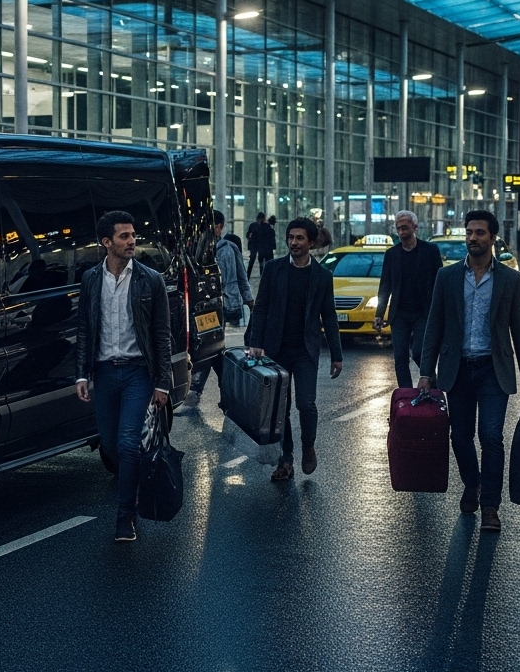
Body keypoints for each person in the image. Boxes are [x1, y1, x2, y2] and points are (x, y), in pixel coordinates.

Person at [419, 210, 520, 533]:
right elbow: (434, 327)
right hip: (457, 369)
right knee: (461, 436)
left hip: (492, 370)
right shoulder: (448, 277)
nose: (473, 238)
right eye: (469, 232)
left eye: (480, 233)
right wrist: (426, 372)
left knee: (491, 436)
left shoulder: (509, 280)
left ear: (493, 238)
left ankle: (490, 506)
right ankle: (473, 485)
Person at [75, 210, 173, 542]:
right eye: (124, 236)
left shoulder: (150, 280)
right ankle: (136, 479)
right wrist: (81, 375)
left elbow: (162, 335)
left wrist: (163, 382)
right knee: (112, 446)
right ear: (107, 243)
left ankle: (125, 515)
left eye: (133, 236)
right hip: (103, 373)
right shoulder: (90, 279)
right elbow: (85, 330)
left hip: (137, 373)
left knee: (129, 442)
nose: (132, 242)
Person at [246, 217, 344, 481]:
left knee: (306, 403)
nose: (294, 243)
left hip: (305, 350)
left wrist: (337, 355)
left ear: (311, 243)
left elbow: (329, 316)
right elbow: (262, 307)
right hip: (276, 349)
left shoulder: (322, 276)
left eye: (300, 238)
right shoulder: (274, 269)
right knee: (281, 408)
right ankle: (285, 458)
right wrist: (256, 343)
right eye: (291, 237)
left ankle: (308, 446)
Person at [186, 210, 254, 409]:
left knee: (212, 347)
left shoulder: (229, 248)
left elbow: (241, 276)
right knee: (214, 349)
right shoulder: (197, 249)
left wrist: (249, 301)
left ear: (219, 227)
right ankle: (229, 395)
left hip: (224, 306)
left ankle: (199, 390)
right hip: (204, 309)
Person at [374, 211, 444, 388]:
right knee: (400, 358)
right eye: (398, 228)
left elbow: (439, 281)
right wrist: (379, 314)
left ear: (415, 227)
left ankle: (431, 384)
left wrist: (441, 310)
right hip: (399, 314)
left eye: (405, 227)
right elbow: (385, 285)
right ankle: (405, 396)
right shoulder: (392, 254)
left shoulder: (430, 251)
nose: (401, 231)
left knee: (420, 352)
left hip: (422, 312)